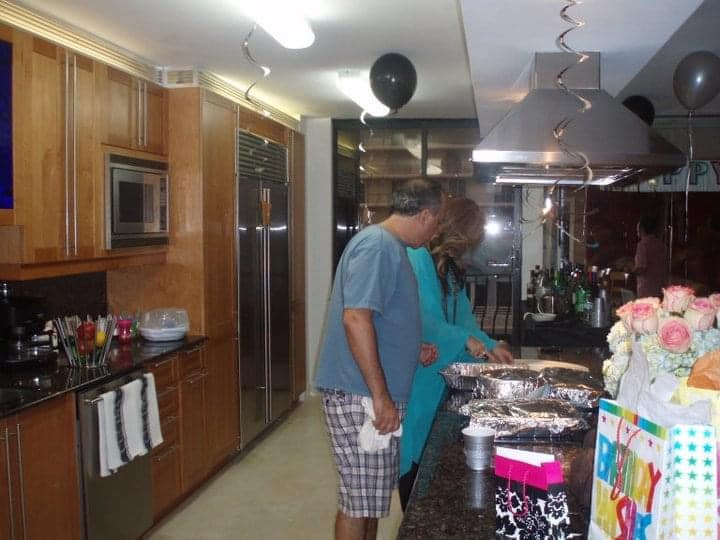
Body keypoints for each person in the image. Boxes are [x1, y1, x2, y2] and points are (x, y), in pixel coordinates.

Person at [315, 178, 445, 540]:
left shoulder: (390, 247)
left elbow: (378, 318)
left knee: (368, 501)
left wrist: (409, 347)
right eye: (437, 221)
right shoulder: (377, 246)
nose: (436, 231)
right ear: (424, 215)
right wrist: (381, 396)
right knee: (358, 503)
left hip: (366, 394)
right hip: (361, 396)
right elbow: (355, 318)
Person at [398, 197, 513, 509]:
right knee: (415, 476)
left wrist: (491, 346)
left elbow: (464, 320)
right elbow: (426, 322)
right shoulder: (417, 259)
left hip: (438, 380)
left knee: (433, 470)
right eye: (470, 241)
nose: (470, 249)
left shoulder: (447, 270)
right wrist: (467, 341)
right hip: (419, 378)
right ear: (458, 234)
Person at [634, 215, 668, 298]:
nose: (636, 230)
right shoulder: (661, 245)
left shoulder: (642, 245)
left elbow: (641, 268)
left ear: (642, 229)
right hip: (660, 288)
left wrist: (630, 271)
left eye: (638, 227)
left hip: (646, 289)